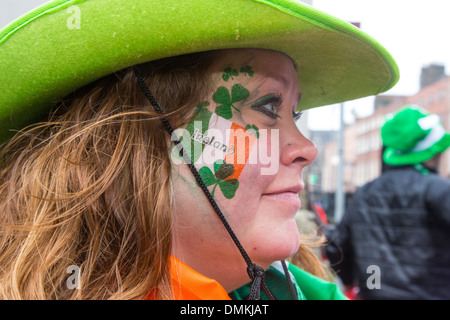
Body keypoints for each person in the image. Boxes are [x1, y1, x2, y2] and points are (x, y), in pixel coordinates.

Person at [0, 0, 398, 300]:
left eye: (295, 112)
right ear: (138, 143)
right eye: (267, 107)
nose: (307, 148)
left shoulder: (301, 291)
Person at [325, 105, 450, 300]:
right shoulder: (439, 190)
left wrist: (350, 281)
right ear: (432, 152)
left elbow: (335, 246)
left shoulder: (364, 193)